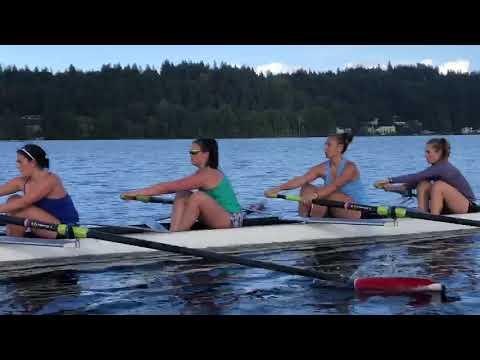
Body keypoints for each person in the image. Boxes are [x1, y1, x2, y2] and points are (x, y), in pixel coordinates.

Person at [121, 138, 243, 232]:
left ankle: (179, 236)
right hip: (218, 215)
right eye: (189, 152)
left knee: (197, 197)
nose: (190, 154)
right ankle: (174, 231)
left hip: (232, 220)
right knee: (182, 193)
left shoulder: (209, 174)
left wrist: (136, 193)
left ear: (206, 154)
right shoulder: (202, 172)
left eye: (194, 152)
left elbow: (167, 188)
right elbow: (176, 188)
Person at [264, 133, 367, 219]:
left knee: (325, 193)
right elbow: (301, 179)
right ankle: (304, 220)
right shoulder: (322, 168)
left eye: (328, 145)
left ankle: (315, 219)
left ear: (339, 148)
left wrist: (314, 196)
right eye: (325, 145)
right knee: (306, 187)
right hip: (334, 207)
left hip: (357, 210)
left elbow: (334, 186)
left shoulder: (350, 168)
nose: (325, 148)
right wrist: (277, 189)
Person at [374, 138, 478, 215]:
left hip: (468, 208)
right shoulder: (434, 169)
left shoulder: (444, 167)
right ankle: (423, 213)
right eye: (425, 152)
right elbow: (411, 184)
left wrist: (390, 180)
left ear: (439, 153)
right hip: (450, 206)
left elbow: (415, 176)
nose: (425, 155)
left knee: (438, 185)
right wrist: (388, 188)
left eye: (428, 152)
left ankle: (433, 218)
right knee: (423, 183)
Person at [0, 144, 79, 238]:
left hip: (63, 229)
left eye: (20, 162)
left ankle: (13, 241)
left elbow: (23, 203)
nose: (17, 166)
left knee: (21, 208)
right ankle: (13, 239)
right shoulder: (22, 181)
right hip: (40, 226)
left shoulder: (50, 180)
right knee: (13, 199)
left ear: (33, 162)